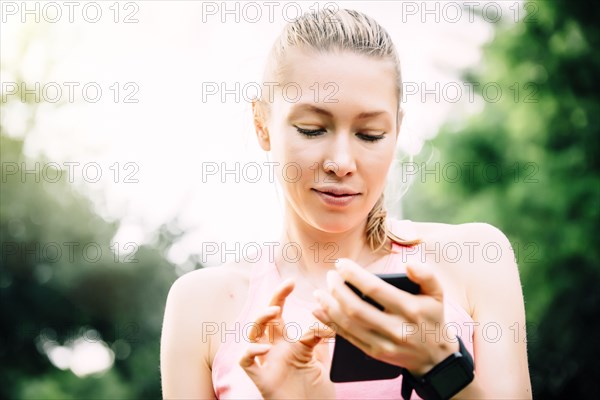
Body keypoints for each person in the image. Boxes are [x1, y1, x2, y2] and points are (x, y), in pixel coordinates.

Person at [160, 8, 532, 400]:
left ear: (397, 131)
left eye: (370, 135)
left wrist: (441, 367)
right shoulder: (200, 305)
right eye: (312, 129)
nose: (341, 162)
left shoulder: (476, 258)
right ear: (262, 124)